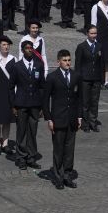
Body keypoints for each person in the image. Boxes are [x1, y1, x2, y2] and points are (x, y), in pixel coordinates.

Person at [42, 49, 81, 190]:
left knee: (70, 150)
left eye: (69, 60)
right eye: (65, 60)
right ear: (58, 62)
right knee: (58, 149)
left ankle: (67, 176)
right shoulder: (52, 77)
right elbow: (45, 100)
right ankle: (58, 177)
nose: (67, 63)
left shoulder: (76, 76)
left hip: (71, 119)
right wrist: (49, 119)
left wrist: (79, 116)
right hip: (58, 118)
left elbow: (79, 98)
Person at [10, 39, 46, 170]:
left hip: (35, 104)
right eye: (27, 48)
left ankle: (31, 157)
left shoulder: (39, 65)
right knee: (21, 131)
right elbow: (11, 87)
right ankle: (21, 157)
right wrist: (13, 105)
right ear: (22, 50)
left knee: (33, 131)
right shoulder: (17, 66)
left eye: (31, 48)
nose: (29, 50)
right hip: (21, 103)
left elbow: (42, 86)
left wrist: (42, 105)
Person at [74, 25, 104, 133]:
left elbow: (102, 64)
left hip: (96, 78)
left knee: (94, 102)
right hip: (85, 79)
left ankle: (93, 122)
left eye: (95, 33)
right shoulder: (81, 47)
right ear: (87, 33)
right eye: (91, 33)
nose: (93, 36)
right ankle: (85, 124)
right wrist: (77, 79)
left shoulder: (99, 46)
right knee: (85, 102)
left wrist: (102, 79)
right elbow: (77, 65)